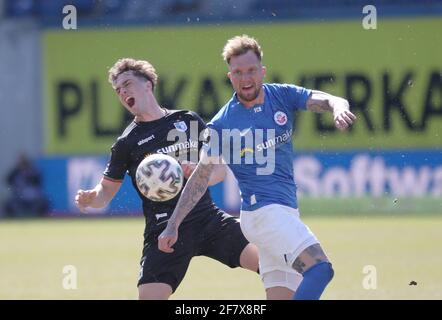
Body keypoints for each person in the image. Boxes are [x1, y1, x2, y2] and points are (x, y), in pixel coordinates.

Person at [74, 58, 299, 299]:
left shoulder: (188, 121)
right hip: (165, 231)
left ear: (148, 84)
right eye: (118, 90)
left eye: (127, 84)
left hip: (209, 220)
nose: (123, 92)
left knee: (277, 268)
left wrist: (199, 175)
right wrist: (91, 199)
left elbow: (219, 172)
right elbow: (105, 194)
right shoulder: (126, 144)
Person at [158, 35, 357, 300]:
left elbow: (329, 99)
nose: (245, 77)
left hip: (282, 213)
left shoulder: (281, 96)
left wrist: (338, 107)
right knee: (320, 270)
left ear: (262, 71)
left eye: (251, 70)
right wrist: (173, 224)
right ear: (230, 77)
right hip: (264, 214)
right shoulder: (222, 123)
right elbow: (201, 177)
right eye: (238, 72)